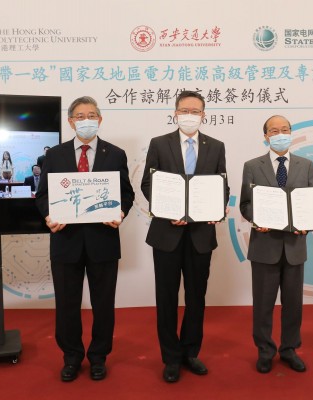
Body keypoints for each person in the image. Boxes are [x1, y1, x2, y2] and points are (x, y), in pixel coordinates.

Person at [35, 96, 134, 382]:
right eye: (80, 116)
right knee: (67, 305)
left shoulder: (115, 154)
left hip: (103, 240)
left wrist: (121, 211)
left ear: (100, 120)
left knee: (103, 305)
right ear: (70, 121)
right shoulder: (54, 154)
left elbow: (125, 193)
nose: (86, 120)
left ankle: (99, 357)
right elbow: (43, 196)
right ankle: (72, 357)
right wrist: (49, 216)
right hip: (66, 241)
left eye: (91, 115)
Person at [140, 90, 229, 383]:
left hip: (201, 234)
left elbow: (222, 186)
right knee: (166, 298)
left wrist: (216, 208)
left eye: (195, 110)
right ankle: (171, 358)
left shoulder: (216, 146)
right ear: (175, 113)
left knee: (196, 297)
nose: (189, 115)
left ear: (203, 114)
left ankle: (191, 351)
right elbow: (147, 184)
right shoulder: (159, 143)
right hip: (167, 233)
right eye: (184, 110)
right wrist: (168, 210)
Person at [239, 115, 313, 374]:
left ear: (291, 133)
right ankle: (265, 350)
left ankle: (289, 349)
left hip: (295, 245)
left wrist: (310, 221)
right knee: (263, 304)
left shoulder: (306, 165)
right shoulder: (252, 166)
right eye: (274, 130)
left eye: (285, 129)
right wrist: (255, 218)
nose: (280, 133)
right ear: (266, 136)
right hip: (264, 245)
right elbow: (245, 203)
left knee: (293, 303)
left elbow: (312, 201)